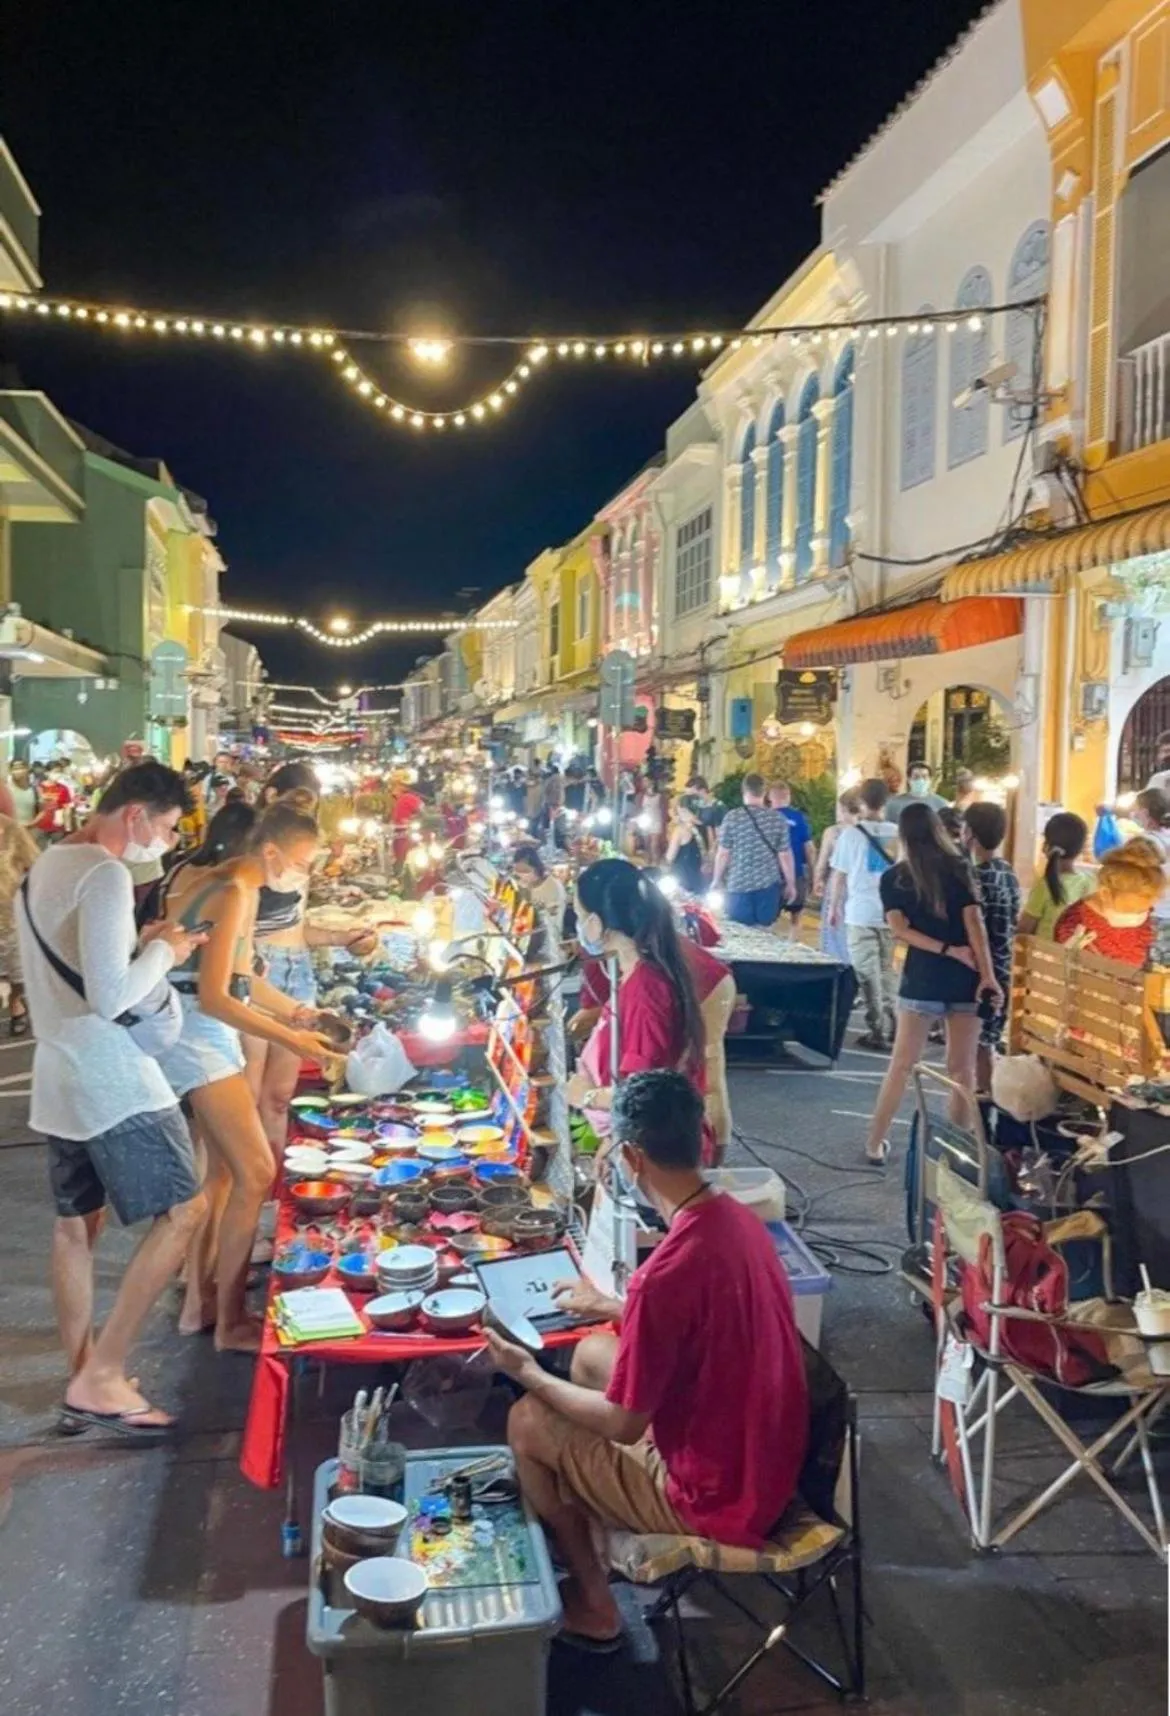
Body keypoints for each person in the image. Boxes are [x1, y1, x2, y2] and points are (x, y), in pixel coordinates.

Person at [490, 1070, 808, 1649]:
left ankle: (596, 1603)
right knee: (589, 1352)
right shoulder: (735, 1220)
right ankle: (596, 1517)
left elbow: (624, 1423)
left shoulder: (663, 1274)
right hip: (769, 1453)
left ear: (633, 1156)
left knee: (527, 1420)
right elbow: (697, 1321)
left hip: (721, 1497)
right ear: (701, 1137)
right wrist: (607, 1305)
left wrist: (526, 1373)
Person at [16, 762, 209, 1436]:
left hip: (58, 1072)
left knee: (76, 1230)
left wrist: (140, 945)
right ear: (135, 814)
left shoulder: (45, 868)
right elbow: (109, 996)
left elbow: (68, 971)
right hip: (110, 1075)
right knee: (185, 1209)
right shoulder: (104, 873)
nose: (162, 841)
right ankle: (103, 1374)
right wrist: (169, 952)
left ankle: (83, 1376)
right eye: (164, 826)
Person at [156, 798, 343, 1349]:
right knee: (256, 1172)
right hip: (198, 1041)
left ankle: (202, 1304)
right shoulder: (236, 891)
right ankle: (230, 1319)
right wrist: (293, 1038)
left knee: (222, 1175)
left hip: (199, 1036)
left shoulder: (231, 885)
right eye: (303, 863)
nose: (304, 875)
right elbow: (216, 997)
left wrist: (298, 1014)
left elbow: (241, 979)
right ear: (270, 851)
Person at [245, 764, 377, 1165]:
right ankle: (242, 1184)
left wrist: (343, 938)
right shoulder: (250, 869)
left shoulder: (295, 867)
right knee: (246, 1097)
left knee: (280, 1097)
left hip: (297, 972)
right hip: (257, 976)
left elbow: (298, 929)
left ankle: (270, 1186)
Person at [864, 802, 1001, 1165]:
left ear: (904, 836)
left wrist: (944, 950)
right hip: (966, 980)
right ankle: (953, 1150)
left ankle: (875, 1142)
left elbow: (900, 930)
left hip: (921, 979)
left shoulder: (895, 878)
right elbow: (976, 925)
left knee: (901, 1065)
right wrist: (987, 975)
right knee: (962, 1068)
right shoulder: (960, 868)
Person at [564, 858, 709, 1153]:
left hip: (650, 1152)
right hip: (632, 1142)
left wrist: (587, 1097)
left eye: (579, 915)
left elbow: (644, 1096)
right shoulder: (631, 973)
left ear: (595, 923)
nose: (577, 926)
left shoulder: (647, 989)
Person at [829, 778, 898, 1050]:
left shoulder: (851, 835)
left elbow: (839, 875)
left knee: (866, 972)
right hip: (890, 912)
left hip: (860, 911)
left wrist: (834, 907)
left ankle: (878, 1029)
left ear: (861, 802)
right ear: (886, 801)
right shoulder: (897, 833)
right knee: (886, 969)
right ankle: (893, 1024)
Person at [962, 802, 1020, 1091]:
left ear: (969, 832)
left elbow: (973, 926)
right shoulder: (1007, 872)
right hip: (1006, 965)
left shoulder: (977, 877)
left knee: (979, 1045)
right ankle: (987, 1103)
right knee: (990, 1040)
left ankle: (982, 1108)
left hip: (984, 971)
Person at [1053, 836, 1164, 966]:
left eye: (1144, 910)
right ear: (1105, 893)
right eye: (1129, 910)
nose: (1137, 915)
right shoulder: (1075, 924)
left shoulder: (1143, 918)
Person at [712, 774, 795, 927]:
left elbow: (723, 853)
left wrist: (716, 879)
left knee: (740, 933)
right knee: (765, 935)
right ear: (765, 793)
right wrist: (791, 883)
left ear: (744, 791)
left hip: (738, 884)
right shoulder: (777, 819)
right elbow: (785, 855)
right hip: (768, 886)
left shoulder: (732, 817)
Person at [1016, 812, 1092, 941]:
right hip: (1076, 958)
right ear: (1081, 849)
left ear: (1046, 846)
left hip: (1043, 958)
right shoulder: (1090, 882)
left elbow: (1024, 929)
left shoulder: (1045, 886)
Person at [0, 812, 41, 1036]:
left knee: (18, 972)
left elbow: (38, 865)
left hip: (9, 918)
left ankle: (16, 1005)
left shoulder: (13, 831)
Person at [767, 781, 816, 943]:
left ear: (770, 798)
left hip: (770, 876)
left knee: (768, 918)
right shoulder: (799, 818)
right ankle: (790, 948)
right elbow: (809, 848)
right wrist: (814, 873)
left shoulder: (765, 818)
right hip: (796, 873)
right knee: (796, 917)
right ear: (788, 797)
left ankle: (768, 949)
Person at [814, 790, 859, 962]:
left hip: (837, 884)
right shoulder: (866, 831)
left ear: (842, 808)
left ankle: (836, 964)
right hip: (859, 885)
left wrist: (818, 881)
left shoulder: (833, 832)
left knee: (833, 930)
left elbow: (823, 861)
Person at [1134, 787, 1170, 963]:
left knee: (1153, 973)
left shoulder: (1145, 842)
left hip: (1155, 914)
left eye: (1137, 809)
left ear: (1145, 812)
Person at [511, 843, 567, 937]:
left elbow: (553, 921)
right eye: (518, 871)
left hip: (547, 938)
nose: (521, 875)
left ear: (536, 867)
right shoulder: (522, 884)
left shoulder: (553, 887)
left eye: (525, 871)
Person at [663, 793, 706, 894]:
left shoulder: (680, 830)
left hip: (682, 878)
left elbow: (670, 857)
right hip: (701, 879)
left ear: (686, 811)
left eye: (680, 810)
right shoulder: (706, 827)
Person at [35, 759, 75, 841]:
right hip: (40, 826)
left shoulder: (63, 789)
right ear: (47, 773)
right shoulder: (38, 788)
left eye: (60, 772)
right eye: (55, 772)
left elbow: (67, 810)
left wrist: (68, 828)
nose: (58, 775)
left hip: (57, 827)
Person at [8, 760, 40, 832]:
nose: (18, 771)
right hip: (8, 831)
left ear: (27, 770)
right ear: (10, 771)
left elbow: (42, 811)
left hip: (28, 831)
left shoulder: (35, 790)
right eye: (15, 768)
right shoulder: (5, 789)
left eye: (21, 768)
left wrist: (31, 823)